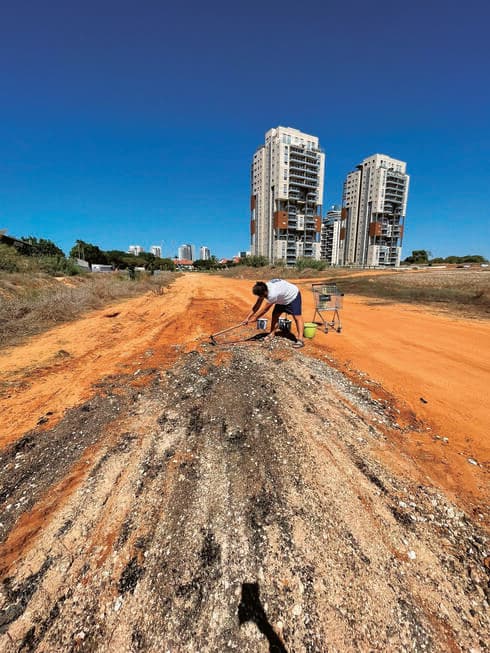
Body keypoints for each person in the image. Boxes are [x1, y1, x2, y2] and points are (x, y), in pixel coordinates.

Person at [244, 279, 304, 348]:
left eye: (261, 296)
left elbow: (264, 310)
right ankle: (272, 333)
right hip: (282, 298)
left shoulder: (272, 294)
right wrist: (247, 318)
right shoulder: (263, 288)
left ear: (265, 292)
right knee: (275, 315)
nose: (261, 297)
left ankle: (300, 340)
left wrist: (255, 318)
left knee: (297, 317)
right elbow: (257, 305)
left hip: (293, 296)